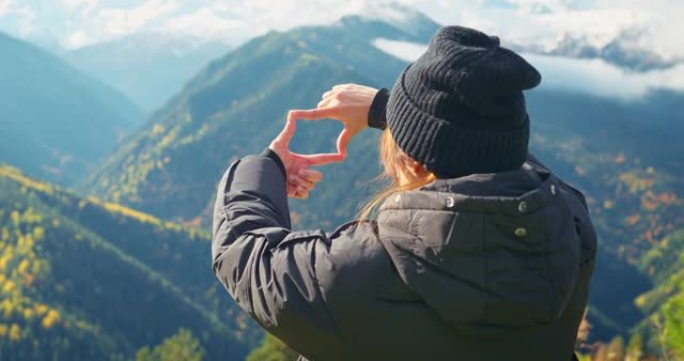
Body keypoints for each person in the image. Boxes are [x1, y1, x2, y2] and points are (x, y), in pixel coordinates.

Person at [211, 25, 597, 361]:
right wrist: (386, 109)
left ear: (412, 163)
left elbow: (244, 253)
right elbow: (497, 152)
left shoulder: (355, 276)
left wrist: (267, 166)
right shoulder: (572, 224)